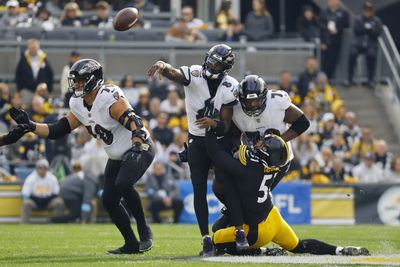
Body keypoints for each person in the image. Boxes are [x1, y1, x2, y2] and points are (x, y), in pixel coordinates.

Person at [9, 58, 155, 254]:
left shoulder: (108, 96)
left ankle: (145, 231)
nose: (77, 84)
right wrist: (31, 126)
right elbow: (58, 129)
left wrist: (138, 143)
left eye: (81, 80)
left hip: (139, 146)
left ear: (94, 79)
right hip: (117, 156)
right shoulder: (78, 103)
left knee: (123, 184)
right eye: (75, 80)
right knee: (109, 199)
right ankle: (130, 243)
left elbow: (133, 120)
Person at [205, 124, 369, 256]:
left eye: (263, 143)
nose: (260, 143)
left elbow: (223, 157)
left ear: (264, 151)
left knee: (216, 237)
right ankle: (339, 250)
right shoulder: (275, 166)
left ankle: (261, 251)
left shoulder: (251, 165)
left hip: (256, 230)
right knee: (299, 245)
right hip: (273, 217)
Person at [147, 44, 238, 256]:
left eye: (216, 63)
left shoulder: (230, 85)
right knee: (199, 190)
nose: (210, 64)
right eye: (210, 59)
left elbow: (226, 124)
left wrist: (214, 125)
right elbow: (176, 74)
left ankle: (237, 225)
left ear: (224, 68)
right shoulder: (195, 73)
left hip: (219, 142)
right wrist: (164, 66)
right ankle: (206, 238)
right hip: (196, 141)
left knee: (227, 185)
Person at [211, 75, 310, 237]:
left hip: (277, 161)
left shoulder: (276, 103)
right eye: (248, 101)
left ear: (264, 96)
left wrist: (278, 140)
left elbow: (303, 122)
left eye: (256, 100)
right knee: (219, 185)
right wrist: (240, 150)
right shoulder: (235, 109)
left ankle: (245, 230)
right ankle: (232, 215)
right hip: (254, 160)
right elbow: (233, 135)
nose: (252, 105)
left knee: (252, 199)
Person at [348, 1, 382, 87]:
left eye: (369, 10)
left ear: (372, 11)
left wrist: (368, 30)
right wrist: (367, 29)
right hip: (358, 44)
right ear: (363, 10)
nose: (368, 12)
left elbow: (377, 32)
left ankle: (370, 80)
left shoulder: (376, 20)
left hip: (370, 45)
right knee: (352, 53)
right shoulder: (358, 19)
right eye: (366, 10)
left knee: (371, 55)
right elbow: (356, 30)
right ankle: (350, 79)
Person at [20, 159, 64, 224]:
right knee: (26, 203)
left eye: (45, 168)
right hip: (35, 201)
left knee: (59, 202)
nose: (43, 170)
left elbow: (56, 193)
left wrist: (48, 198)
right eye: (40, 168)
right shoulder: (30, 178)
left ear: (47, 169)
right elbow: (25, 194)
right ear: (37, 169)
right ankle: (24, 224)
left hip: (49, 200)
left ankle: (58, 223)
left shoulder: (52, 178)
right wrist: (35, 198)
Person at [15, 39, 54, 104]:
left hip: (41, 90)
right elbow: (18, 75)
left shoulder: (43, 58)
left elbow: (50, 74)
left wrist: (48, 88)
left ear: (38, 48)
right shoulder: (23, 59)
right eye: (31, 48)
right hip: (27, 89)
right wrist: (20, 89)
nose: (33, 50)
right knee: (26, 107)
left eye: (34, 48)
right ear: (28, 48)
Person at [320, 0, 350, 79]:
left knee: (333, 61)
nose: (332, 2)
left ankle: (330, 78)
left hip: (336, 41)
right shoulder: (323, 12)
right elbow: (320, 26)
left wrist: (338, 29)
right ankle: (323, 78)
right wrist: (322, 41)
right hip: (325, 41)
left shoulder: (343, 13)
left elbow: (346, 25)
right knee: (323, 62)